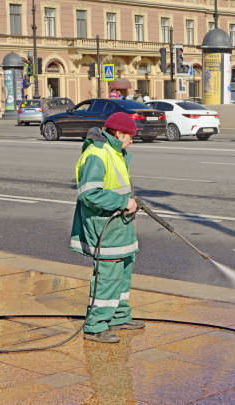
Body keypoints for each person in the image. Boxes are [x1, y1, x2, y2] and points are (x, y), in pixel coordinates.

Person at [70, 112, 144, 343]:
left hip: (119, 225)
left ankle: (119, 316)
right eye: (130, 136)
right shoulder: (97, 154)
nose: (132, 140)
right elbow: (89, 193)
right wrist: (123, 202)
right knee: (108, 276)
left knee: (123, 271)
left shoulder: (115, 152)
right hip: (105, 227)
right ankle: (95, 325)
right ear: (118, 133)